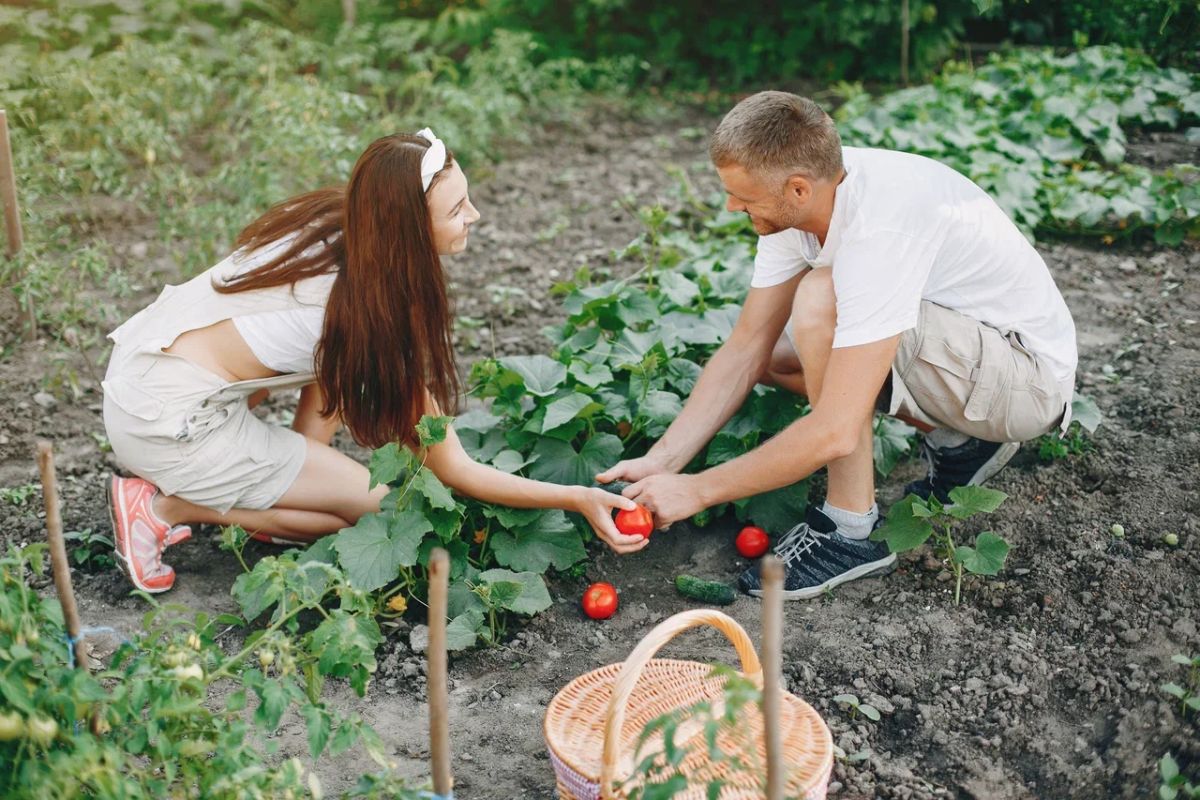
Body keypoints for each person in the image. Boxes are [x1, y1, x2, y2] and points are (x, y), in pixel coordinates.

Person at [104, 129, 645, 594]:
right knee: (381, 511)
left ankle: (238, 495)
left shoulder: (343, 230)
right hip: (169, 424)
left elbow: (326, 365)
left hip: (146, 376)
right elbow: (454, 468)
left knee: (333, 507)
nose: (474, 216)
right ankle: (160, 510)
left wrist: (296, 466)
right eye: (456, 210)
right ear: (407, 227)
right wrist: (577, 497)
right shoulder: (372, 313)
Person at [598, 92, 1076, 600]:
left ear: (798, 188)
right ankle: (961, 441)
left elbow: (834, 430)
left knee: (820, 302)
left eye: (743, 196)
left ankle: (847, 530)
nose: (731, 206)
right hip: (971, 360)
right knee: (778, 357)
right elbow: (746, 348)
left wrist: (697, 489)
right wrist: (664, 460)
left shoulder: (880, 227)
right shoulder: (803, 203)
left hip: (1026, 383)